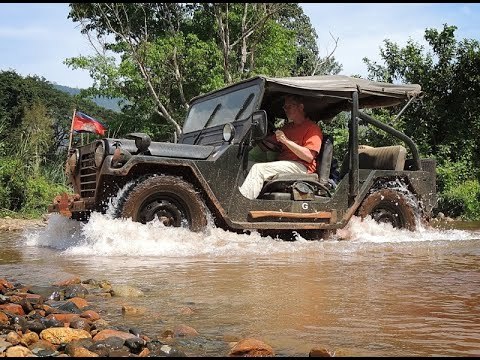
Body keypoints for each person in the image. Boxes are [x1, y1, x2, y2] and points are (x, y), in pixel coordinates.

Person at [239, 94, 323, 200]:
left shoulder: (312, 128)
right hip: (286, 164)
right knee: (245, 166)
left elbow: (309, 157)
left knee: (258, 169)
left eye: (289, 106)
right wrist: (255, 137)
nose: (286, 110)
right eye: (285, 107)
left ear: (301, 107)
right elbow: (267, 145)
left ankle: (242, 203)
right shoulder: (287, 128)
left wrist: (285, 141)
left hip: (302, 167)